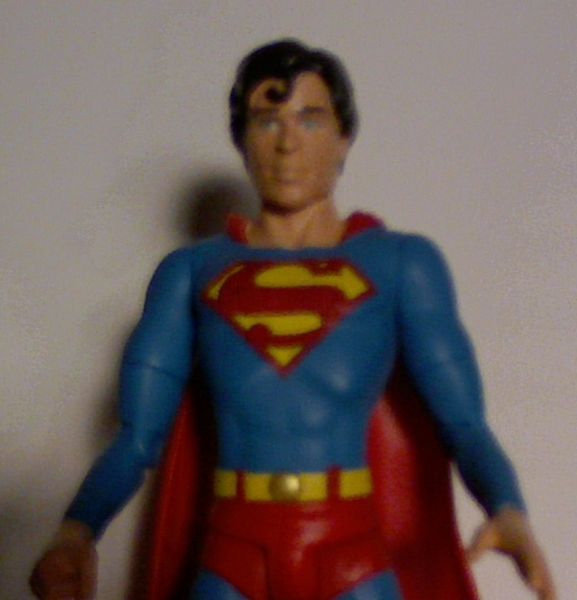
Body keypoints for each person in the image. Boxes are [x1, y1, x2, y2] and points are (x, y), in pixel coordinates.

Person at [30, 39, 555, 600]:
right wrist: (77, 530)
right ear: (242, 139)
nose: (287, 143)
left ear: (343, 137)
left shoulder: (402, 264)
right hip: (233, 553)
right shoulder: (191, 272)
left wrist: (508, 508)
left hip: (350, 552)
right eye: (266, 121)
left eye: (310, 118)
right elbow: (137, 439)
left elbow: (466, 426)